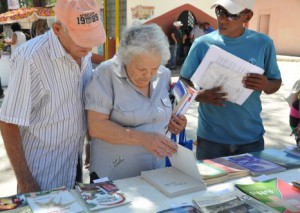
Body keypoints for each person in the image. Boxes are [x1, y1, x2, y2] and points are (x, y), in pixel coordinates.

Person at [0, 0, 105, 193]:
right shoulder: (29, 58)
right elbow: (8, 123)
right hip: (40, 174)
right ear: (57, 29)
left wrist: (90, 141)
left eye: (91, 39)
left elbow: (83, 102)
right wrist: (25, 182)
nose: (89, 48)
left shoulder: (83, 52)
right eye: (82, 40)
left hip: (74, 163)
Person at [180, 0, 282, 160]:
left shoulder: (263, 43)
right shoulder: (202, 44)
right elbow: (182, 81)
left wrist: (266, 84)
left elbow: (275, 83)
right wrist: (199, 95)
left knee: (250, 185)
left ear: (247, 16)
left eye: (231, 14)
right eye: (219, 11)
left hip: (251, 139)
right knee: (210, 186)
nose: (222, 19)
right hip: (211, 140)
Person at [84, 23, 187, 181]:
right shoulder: (105, 74)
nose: (148, 75)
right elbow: (96, 127)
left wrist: (175, 122)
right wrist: (142, 138)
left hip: (155, 172)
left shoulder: (164, 74)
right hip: (115, 176)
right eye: (141, 69)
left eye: (154, 69)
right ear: (126, 58)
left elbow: (160, 115)